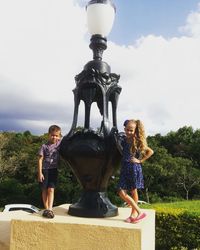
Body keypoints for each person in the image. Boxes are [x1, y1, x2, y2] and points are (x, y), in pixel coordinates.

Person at [117, 119, 153, 223]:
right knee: (122, 191)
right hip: (125, 168)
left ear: (135, 131)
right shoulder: (124, 140)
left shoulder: (136, 141)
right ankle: (137, 213)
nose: (128, 132)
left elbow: (150, 151)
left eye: (131, 130)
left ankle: (136, 213)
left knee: (131, 191)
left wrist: (140, 160)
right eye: (127, 130)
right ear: (124, 129)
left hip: (133, 168)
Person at [38, 125, 62, 218]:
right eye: (52, 135)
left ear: (59, 136)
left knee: (51, 189)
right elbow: (40, 159)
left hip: (54, 170)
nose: (54, 137)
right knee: (44, 189)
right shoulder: (44, 146)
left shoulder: (59, 144)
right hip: (45, 170)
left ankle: (50, 209)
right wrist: (40, 173)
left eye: (56, 135)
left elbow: (67, 140)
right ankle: (46, 208)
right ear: (49, 135)